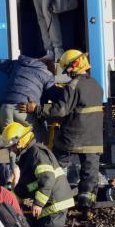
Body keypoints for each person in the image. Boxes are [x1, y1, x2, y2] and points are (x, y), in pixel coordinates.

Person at [2, 122, 74, 227]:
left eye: (12, 146)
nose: (11, 150)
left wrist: (38, 203)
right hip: (49, 204)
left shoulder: (36, 153)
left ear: (20, 141)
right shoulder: (28, 155)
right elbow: (29, 185)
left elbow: (47, 178)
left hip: (54, 204)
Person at [44, 49, 104, 208]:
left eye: (68, 68)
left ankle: (54, 199)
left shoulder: (73, 85)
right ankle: (86, 206)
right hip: (94, 139)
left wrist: (36, 109)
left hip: (72, 137)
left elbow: (60, 111)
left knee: (56, 166)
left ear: (75, 65)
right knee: (90, 174)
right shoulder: (96, 85)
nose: (67, 72)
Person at [0, 55, 57, 144]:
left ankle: (14, 158)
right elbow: (54, 96)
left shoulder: (19, 64)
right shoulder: (47, 74)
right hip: (23, 109)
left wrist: (15, 64)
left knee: (11, 144)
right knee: (37, 139)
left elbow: (0, 63)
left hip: (5, 109)